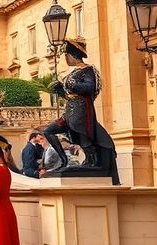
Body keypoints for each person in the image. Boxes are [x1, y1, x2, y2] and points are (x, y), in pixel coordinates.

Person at [43, 36, 120, 184]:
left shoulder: (88, 70)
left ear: (72, 55)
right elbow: (69, 95)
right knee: (48, 131)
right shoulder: (73, 73)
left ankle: (92, 160)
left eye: (66, 55)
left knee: (83, 133)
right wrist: (59, 89)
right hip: (69, 111)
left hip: (82, 111)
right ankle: (64, 160)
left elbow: (89, 88)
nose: (66, 58)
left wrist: (70, 84)